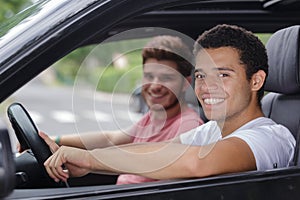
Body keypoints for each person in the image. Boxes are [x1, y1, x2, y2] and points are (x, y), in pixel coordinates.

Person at [40, 24, 295, 184]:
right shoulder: (211, 131)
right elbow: (155, 151)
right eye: (201, 76)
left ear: (256, 81)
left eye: (223, 75)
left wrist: (92, 160)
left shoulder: (270, 137)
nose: (206, 87)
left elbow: (197, 163)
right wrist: (88, 162)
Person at [38, 35, 204, 185]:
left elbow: (158, 165)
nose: (154, 86)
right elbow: (111, 138)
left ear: (186, 83)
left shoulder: (189, 126)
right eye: (149, 76)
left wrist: (90, 162)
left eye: (166, 78)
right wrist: (56, 139)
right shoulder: (153, 118)